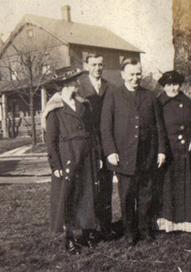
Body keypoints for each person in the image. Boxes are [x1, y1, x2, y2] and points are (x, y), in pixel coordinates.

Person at [100, 58, 166, 246]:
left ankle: (145, 229)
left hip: (147, 155)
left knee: (146, 195)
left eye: (138, 74)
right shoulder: (113, 95)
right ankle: (130, 232)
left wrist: (161, 150)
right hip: (124, 156)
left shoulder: (150, 95)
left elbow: (159, 126)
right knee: (127, 196)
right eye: (131, 74)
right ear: (123, 75)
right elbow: (106, 127)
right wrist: (111, 151)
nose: (136, 78)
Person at [42, 69, 100, 255]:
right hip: (68, 156)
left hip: (87, 155)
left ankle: (88, 234)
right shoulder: (54, 108)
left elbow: (92, 133)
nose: (78, 84)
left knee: (87, 195)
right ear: (65, 84)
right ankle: (69, 239)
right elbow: (50, 141)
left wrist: (97, 155)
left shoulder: (83, 104)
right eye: (75, 81)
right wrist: (55, 165)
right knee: (68, 198)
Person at [155, 71, 191, 233]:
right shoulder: (158, 103)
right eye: (168, 85)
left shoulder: (189, 103)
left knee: (187, 187)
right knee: (169, 188)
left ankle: (188, 222)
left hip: (188, 153)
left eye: (175, 84)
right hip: (168, 153)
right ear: (164, 86)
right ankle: (168, 224)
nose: (172, 88)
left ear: (180, 85)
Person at [78, 53, 115, 241]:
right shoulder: (79, 87)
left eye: (100, 64)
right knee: (90, 187)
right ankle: (89, 228)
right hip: (89, 143)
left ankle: (106, 227)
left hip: (107, 142)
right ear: (86, 66)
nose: (97, 68)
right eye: (93, 64)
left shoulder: (110, 87)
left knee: (106, 186)